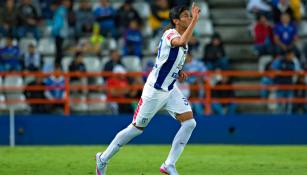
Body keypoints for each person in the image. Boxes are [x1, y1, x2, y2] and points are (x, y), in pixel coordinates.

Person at [95, 4, 201, 175]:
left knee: (190, 123)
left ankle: (169, 164)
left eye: (190, 16)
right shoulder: (171, 34)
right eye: (186, 16)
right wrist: (195, 20)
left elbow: (167, 59)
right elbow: (180, 42)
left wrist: (178, 72)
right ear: (176, 21)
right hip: (155, 90)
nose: (189, 18)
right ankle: (103, 158)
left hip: (170, 88)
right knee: (135, 129)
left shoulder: (182, 37)